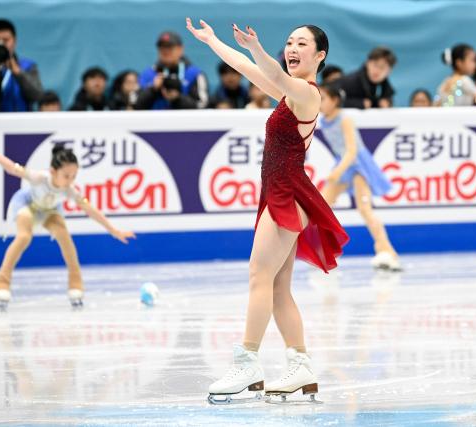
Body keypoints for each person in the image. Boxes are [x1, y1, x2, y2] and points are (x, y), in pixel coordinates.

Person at [186, 18, 348, 404]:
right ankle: (301, 365)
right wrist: (213, 42)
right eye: (289, 41)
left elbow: (268, 68)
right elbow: (247, 69)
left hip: (286, 195)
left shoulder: (308, 94)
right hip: (280, 191)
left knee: (259, 275)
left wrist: (257, 48)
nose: (292, 48)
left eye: (302, 44)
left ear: (319, 55)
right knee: (276, 287)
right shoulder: (288, 92)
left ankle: (248, 362)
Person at [0, 138, 135, 309]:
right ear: (53, 171)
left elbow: (90, 209)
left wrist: (113, 230)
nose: (70, 180)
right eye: (66, 176)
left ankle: (75, 284)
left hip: (49, 210)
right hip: (27, 205)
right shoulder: (39, 178)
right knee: (24, 237)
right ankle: (1, 284)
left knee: (64, 236)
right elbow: (11, 168)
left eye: (74, 176)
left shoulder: (70, 190)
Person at [319, 84, 400, 270]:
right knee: (322, 206)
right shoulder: (323, 121)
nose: (319, 103)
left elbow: (352, 150)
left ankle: (387, 251)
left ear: (335, 100)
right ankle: (323, 251)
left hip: (357, 165)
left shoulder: (344, 119)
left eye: (323, 99)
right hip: (342, 163)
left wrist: (337, 172)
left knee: (365, 209)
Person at [137, 31, 208, 110]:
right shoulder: (148, 74)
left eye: (170, 47)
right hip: (154, 121)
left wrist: (177, 98)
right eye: (162, 47)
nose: (165, 51)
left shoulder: (195, 74)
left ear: (181, 49)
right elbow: (136, 106)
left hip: (185, 122)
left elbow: (202, 106)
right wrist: (153, 90)